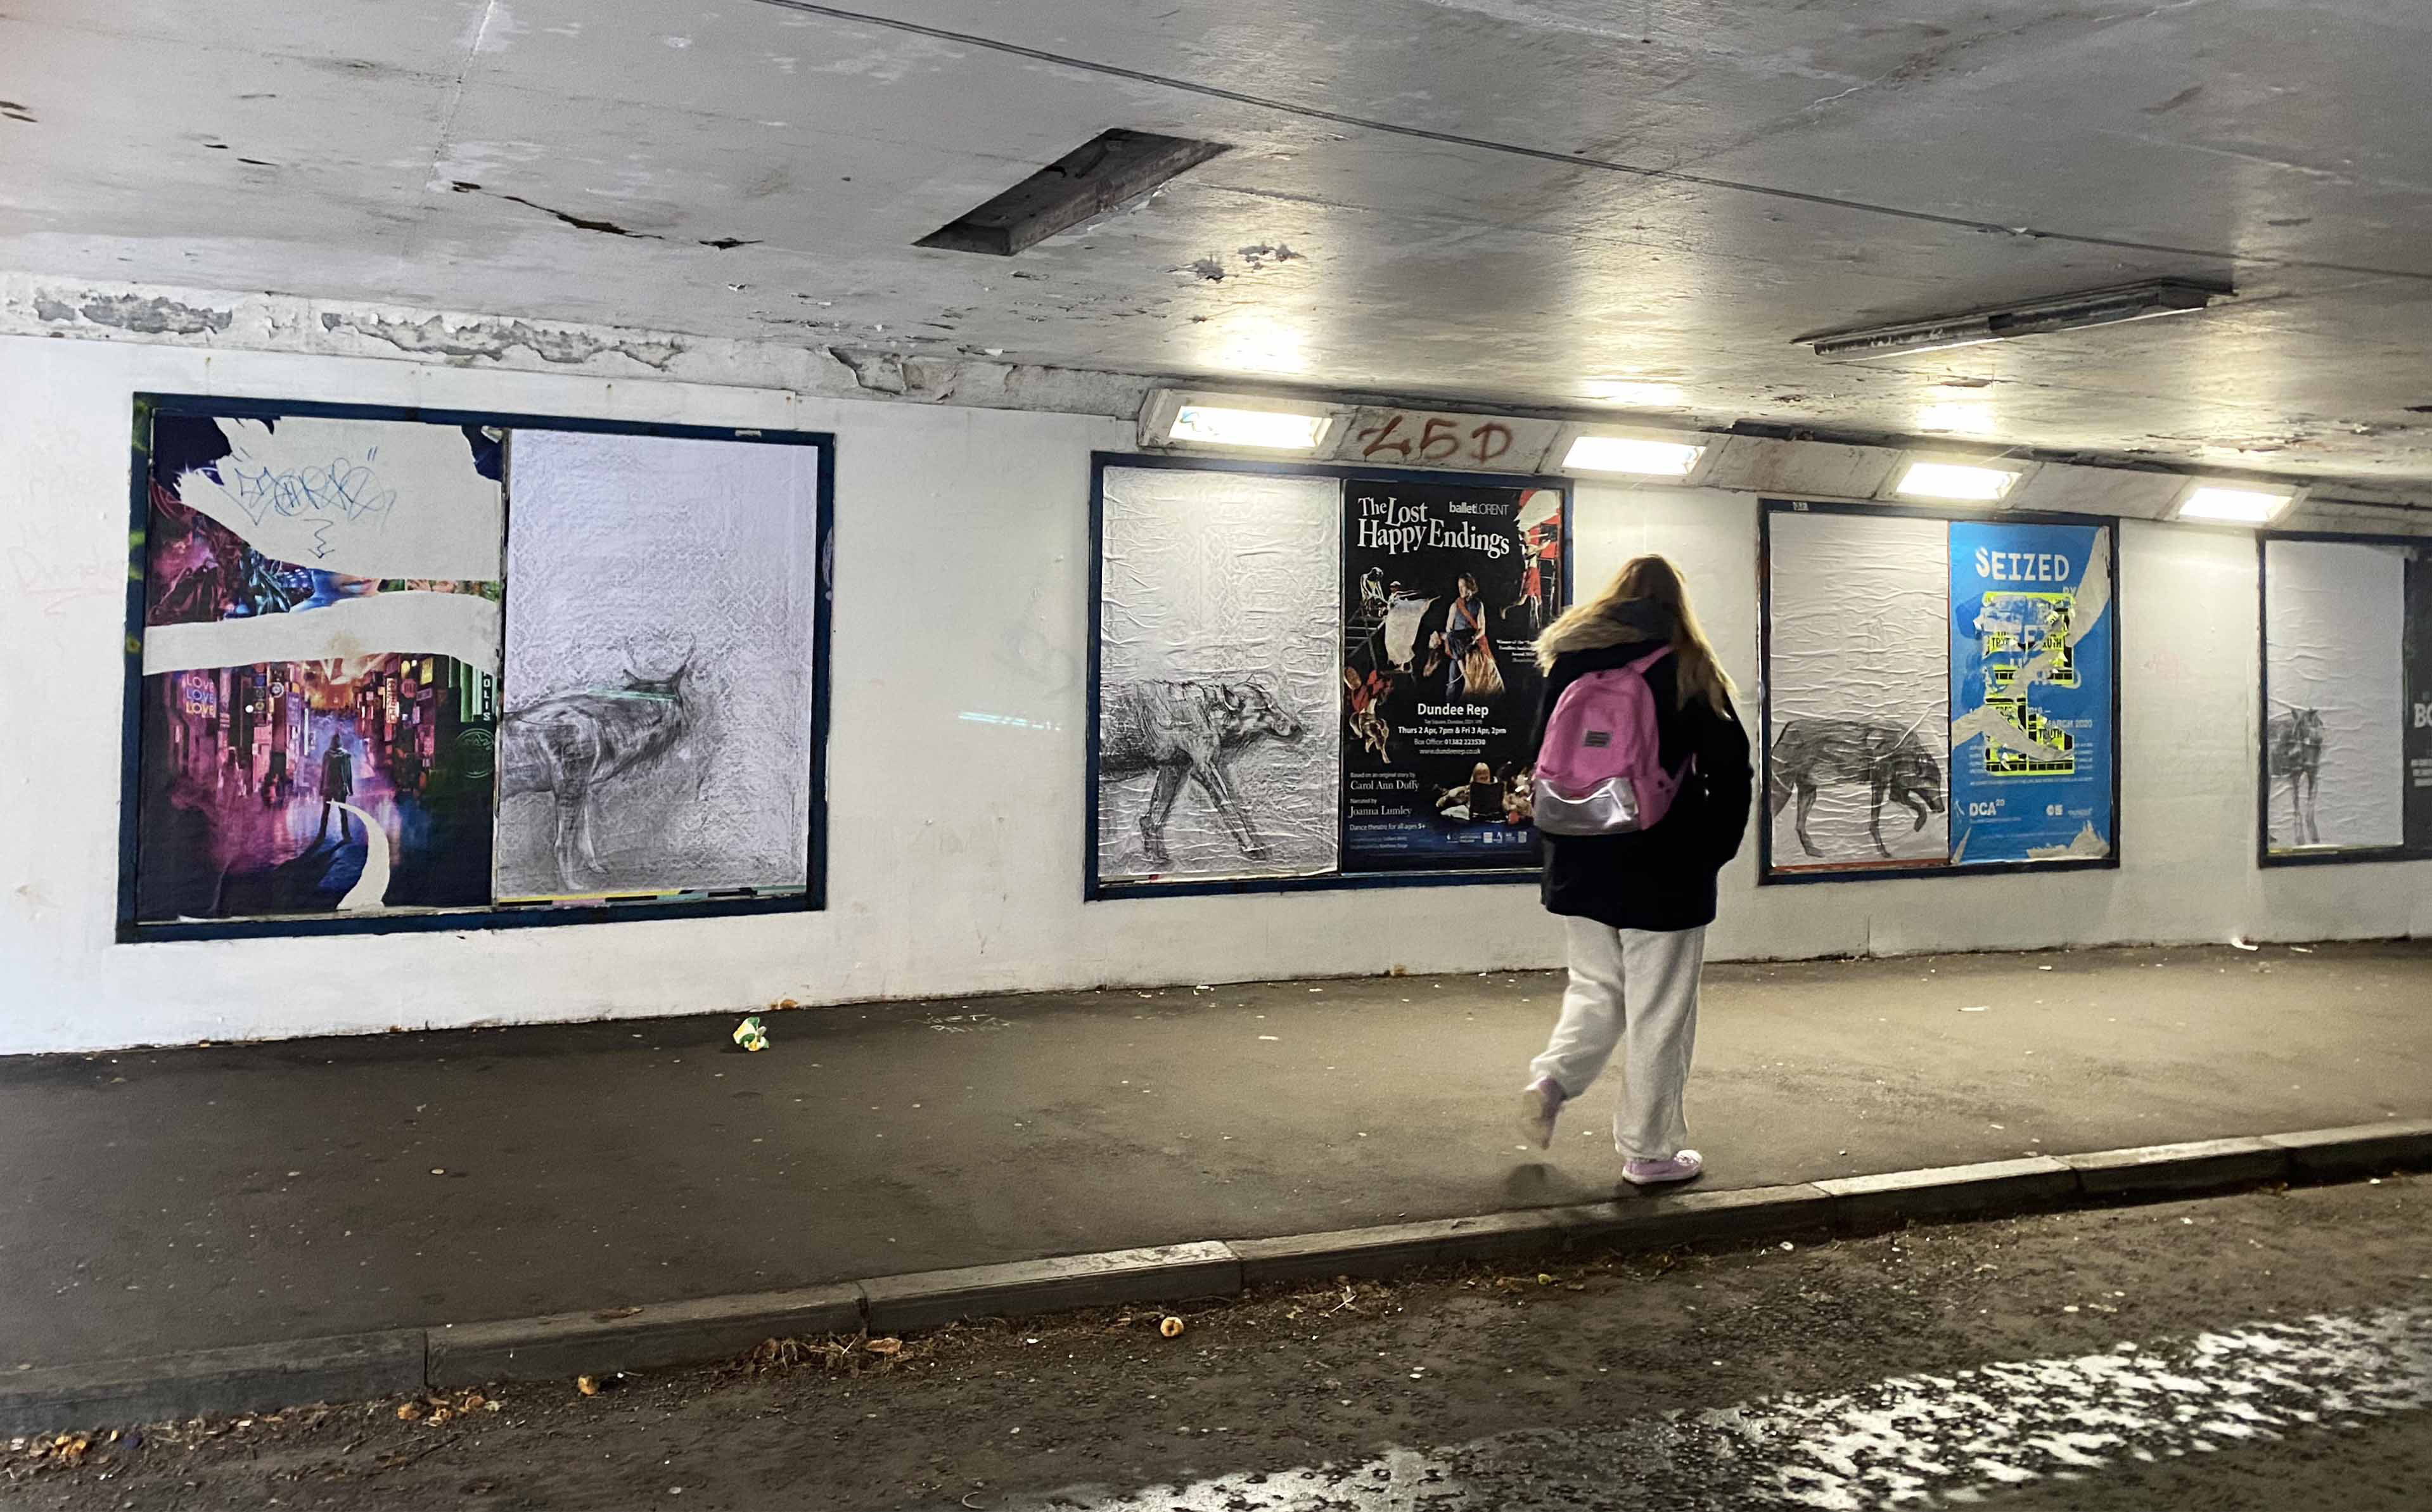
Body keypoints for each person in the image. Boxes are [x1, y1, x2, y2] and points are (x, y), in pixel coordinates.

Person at [1516, 554, 1752, 1187]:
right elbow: (1732, 772)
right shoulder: (1688, 665)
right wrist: (1713, 853)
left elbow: (1542, 755)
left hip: (1578, 854)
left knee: (1596, 987)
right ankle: (1650, 1151)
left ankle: (1553, 1078)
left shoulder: (1569, 659)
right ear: (1677, 603)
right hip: (1664, 867)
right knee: (1659, 1009)